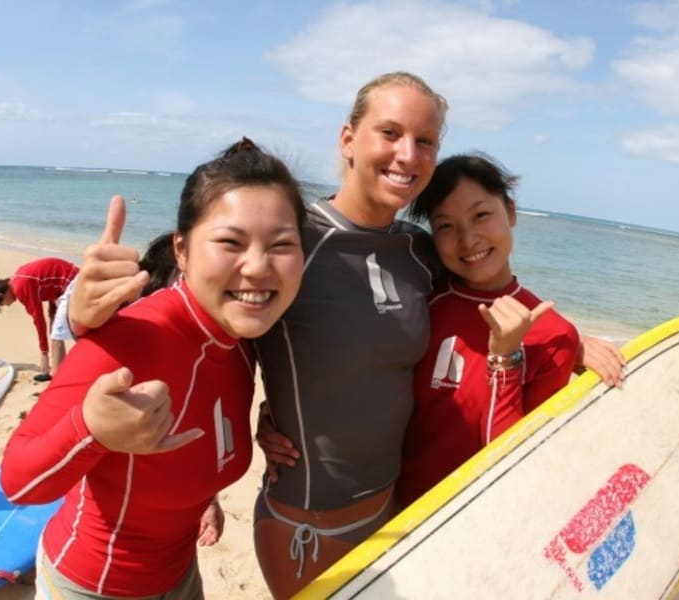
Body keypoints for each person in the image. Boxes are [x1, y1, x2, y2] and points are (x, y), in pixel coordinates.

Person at [62, 71, 623, 598]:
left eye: (425, 141)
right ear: (349, 138)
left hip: (397, 517)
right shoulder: (291, 237)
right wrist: (83, 317)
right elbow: (193, 322)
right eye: (391, 133)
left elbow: (482, 285)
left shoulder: (420, 253)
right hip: (305, 527)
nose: (408, 154)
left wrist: (569, 342)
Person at [0, 137, 306, 599]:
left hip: (181, 577)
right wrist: (91, 429)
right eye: (230, 242)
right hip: (93, 585)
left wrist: (208, 495)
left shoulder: (243, 339)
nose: (259, 267)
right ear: (181, 250)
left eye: (282, 244)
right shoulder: (134, 336)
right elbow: (18, 483)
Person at [397, 153, 589, 506]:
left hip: (483, 521)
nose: (468, 239)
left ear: (511, 212)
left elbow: (511, 461)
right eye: (445, 226)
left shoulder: (555, 336)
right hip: (395, 515)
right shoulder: (421, 302)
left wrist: (505, 358)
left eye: (481, 215)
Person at [0, 257, 79, 380]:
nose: (8, 305)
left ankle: (57, 378)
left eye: (3, 304)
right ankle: (58, 371)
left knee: (58, 334)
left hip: (71, 282)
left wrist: (44, 353)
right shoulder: (17, 278)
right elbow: (50, 283)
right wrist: (52, 313)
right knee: (56, 328)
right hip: (63, 285)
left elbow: (38, 320)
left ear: (1, 295)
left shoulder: (20, 287)